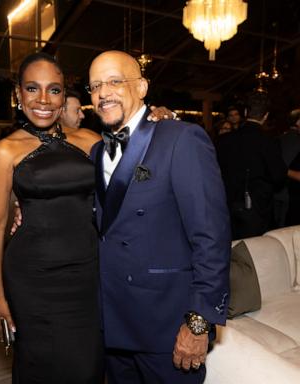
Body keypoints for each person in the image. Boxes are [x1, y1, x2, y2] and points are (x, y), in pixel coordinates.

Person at [86, 50, 230, 384]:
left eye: (114, 81)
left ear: (142, 86)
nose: (103, 92)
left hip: (166, 325)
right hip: (113, 320)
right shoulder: (95, 152)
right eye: (94, 86)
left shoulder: (181, 138)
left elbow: (211, 237)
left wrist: (198, 324)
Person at [0, 52, 104, 383]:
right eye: (32, 88)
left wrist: (159, 121)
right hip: (32, 278)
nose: (43, 100)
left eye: (53, 90)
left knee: (88, 366)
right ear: (18, 94)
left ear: (64, 96)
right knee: (39, 366)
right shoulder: (5, 151)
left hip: (87, 275)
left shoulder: (91, 141)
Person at [217, 92, 287, 239]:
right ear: (266, 116)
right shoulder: (269, 142)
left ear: (246, 112)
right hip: (257, 210)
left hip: (226, 206)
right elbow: (279, 177)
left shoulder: (224, 140)